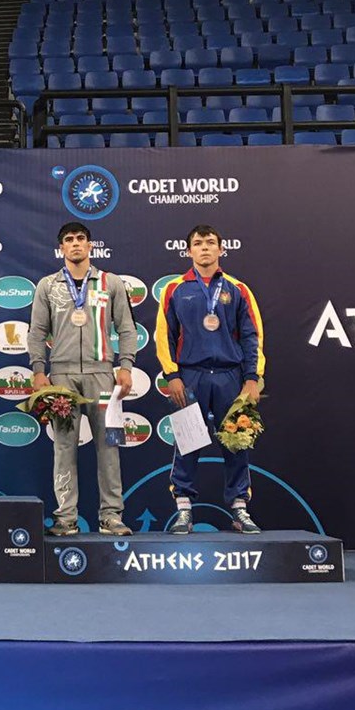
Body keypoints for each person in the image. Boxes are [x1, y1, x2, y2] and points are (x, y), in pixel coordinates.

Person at [27, 221, 138, 537]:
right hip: (61, 377)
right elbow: (37, 331)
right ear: (61, 248)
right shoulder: (48, 286)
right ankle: (66, 518)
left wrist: (126, 366)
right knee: (64, 448)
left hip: (102, 374)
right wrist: (38, 370)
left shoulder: (110, 282)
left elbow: (126, 328)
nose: (75, 243)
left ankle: (111, 516)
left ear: (90, 246)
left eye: (80, 238)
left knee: (109, 447)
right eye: (68, 239)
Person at [155, 224, 265, 535]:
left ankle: (240, 508)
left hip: (231, 376)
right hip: (191, 376)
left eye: (210, 242)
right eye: (198, 243)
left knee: (236, 441)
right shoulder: (175, 289)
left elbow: (252, 336)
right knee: (188, 442)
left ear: (221, 249)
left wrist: (252, 378)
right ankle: (183, 509)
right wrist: (172, 375)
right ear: (188, 250)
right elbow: (164, 335)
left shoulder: (238, 289)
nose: (204, 248)